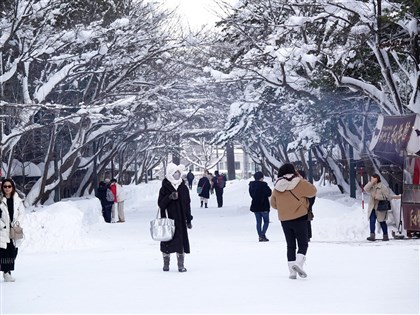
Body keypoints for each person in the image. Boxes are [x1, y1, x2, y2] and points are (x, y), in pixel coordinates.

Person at [270, 163, 317, 280]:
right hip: (300, 217)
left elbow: (273, 204)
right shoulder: (299, 182)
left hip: (285, 220)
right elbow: (313, 191)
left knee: (290, 245)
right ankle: (298, 263)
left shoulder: (277, 186)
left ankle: (292, 271)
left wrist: (284, 208)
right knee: (303, 243)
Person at [158, 163, 193, 272]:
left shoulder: (183, 187)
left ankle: (180, 265)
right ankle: (166, 264)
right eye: (174, 173)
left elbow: (187, 204)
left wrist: (189, 219)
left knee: (180, 242)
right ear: (169, 174)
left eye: (178, 173)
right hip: (168, 220)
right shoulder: (164, 187)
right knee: (167, 242)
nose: (177, 175)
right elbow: (160, 204)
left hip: (181, 220)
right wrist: (169, 197)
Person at [0, 179, 25, 282]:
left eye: (9, 186)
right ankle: (7, 273)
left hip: (15, 229)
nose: (7, 188)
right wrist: (2, 225)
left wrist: (17, 223)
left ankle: (7, 270)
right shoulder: (0, 200)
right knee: (5, 251)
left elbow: (22, 213)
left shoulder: (17, 200)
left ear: (13, 187)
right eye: (5, 186)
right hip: (3, 230)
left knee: (14, 251)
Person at [364, 173, 394, 241]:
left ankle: (385, 236)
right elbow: (365, 189)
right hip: (373, 207)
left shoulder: (383, 187)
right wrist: (370, 183)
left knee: (382, 221)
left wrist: (378, 197)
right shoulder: (372, 186)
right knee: (372, 221)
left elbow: (388, 197)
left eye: (373, 178)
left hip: (380, 207)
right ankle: (372, 235)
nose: (371, 179)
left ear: (377, 179)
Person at [249, 171, 272, 242]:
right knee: (266, 221)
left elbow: (251, 195)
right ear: (261, 178)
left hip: (255, 206)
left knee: (258, 222)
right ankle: (262, 234)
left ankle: (260, 236)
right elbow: (269, 193)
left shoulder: (251, 185)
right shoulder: (264, 185)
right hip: (264, 205)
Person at [298, 170, 316, 242]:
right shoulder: (295, 185)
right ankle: (302, 236)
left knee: (306, 222)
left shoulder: (307, 184)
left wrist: (308, 204)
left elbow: (312, 195)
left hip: (306, 207)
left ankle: (307, 236)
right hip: (299, 207)